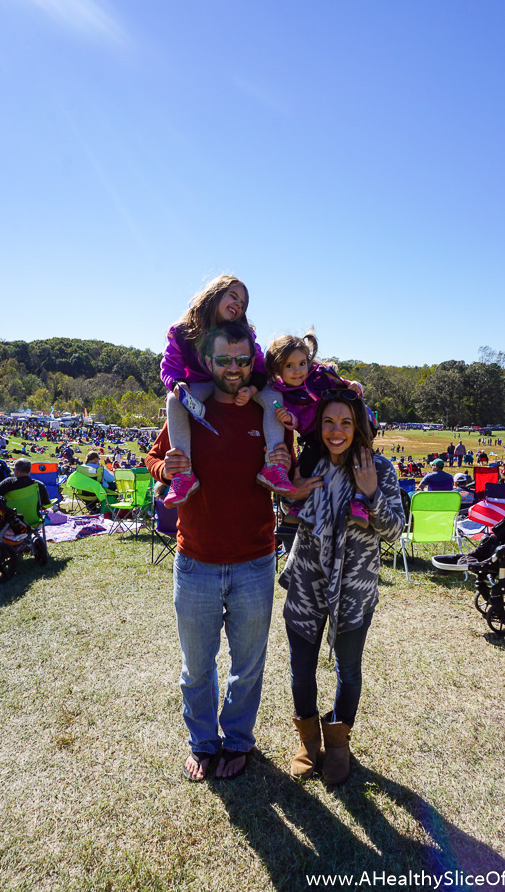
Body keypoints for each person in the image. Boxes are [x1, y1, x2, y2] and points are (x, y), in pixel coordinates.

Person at [145, 322, 294, 783]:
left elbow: (286, 466)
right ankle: (203, 743)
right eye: (224, 360)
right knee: (196, 668)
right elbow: (152, 460)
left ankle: (238, 741)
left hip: (254, 560)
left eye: (242, 360)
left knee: (248, 666)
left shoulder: (265, 410)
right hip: (196, 563)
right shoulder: (189, 406)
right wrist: (165, 469)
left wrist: (286, 460)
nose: (234, 369)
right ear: (208, 362)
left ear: (255, 362)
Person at [279, 390, 405, 785]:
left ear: (358, 426)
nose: (337, 431)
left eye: (346, 422)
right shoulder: (311, 461)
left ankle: (338, 743)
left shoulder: (378, 468)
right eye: (329, 422)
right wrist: (290, 497)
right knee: (301, 670)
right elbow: (290, 511)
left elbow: (394, 529)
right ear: (319, 426)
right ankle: (309, 743)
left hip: (354, 585)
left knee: (347, 669)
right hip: (307, 579)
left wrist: (370, 492)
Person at [160, 275, 295, 507]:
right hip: (201, 386)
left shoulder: (245, 333)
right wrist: (178, 385)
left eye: (242, 303)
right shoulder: (182, 331)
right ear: (214, 294)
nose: (238, 304)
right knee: (173, 401)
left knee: (274, 396)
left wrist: (252, 388)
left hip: (240, 385)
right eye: (233, 296)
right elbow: (169, 367)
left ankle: (274, 467)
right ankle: (183, 475)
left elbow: (261, 366)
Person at [264, 332, 367, 526]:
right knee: (305, 464)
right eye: (289, 366)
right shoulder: (283, 393)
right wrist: (288, 419)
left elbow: (345, 385)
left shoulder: (320, 375)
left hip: (339, 428)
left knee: (358, 461)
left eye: (302, 363)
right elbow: (295, 421)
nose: (298, 371)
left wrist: (355, 385)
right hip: (313, 435)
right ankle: (299, 504)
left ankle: (359, 502)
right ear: (277, 369)